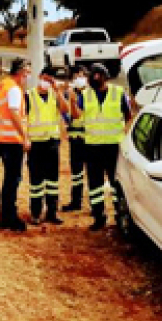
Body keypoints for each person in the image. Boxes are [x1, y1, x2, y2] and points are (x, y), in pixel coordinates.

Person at [71, 64, 134, 231]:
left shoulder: (118, 93)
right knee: (95, 184)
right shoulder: (85, 94)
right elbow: (77, 115)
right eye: (92, 76)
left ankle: (120, 216)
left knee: (116, 183)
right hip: (92, 146)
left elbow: (128, 115)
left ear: (105, 77)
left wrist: (119, 130)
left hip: (113, 146)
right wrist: (71, 98)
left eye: (97, 75)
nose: (94, 78)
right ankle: (99, 216)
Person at [25, 66, 72, 224]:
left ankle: (52, 212)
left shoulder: (55, 95)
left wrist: (57, 91)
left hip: (52, 142)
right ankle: (36, 213)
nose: (47, 82)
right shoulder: (29, 96)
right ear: (39, 77)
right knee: (36, 180)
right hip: (36, 143)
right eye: (45, 78)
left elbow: (66, 109)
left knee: (53, 180)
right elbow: (23, 119)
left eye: (50, 79)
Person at [0, 58, 31, 231]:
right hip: (11, 140)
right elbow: (14, 113)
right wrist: (25, 136)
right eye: (27, 72)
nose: (28, 75)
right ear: (21, 72)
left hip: (1, 138)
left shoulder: (3, 85)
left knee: (10, 178)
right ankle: (9, 217)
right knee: (12, 179)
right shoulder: (13, 89)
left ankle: (7, 215)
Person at [61, 65, 89, 212]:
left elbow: (80, 114)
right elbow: (68, 116)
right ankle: (76, 201)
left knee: (92, 172)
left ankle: (95, 205)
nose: (79, 78)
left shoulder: (90, 94)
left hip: (90, 138)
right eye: (76, 76)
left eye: (82, 75)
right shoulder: (67, 95)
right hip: (75, 139)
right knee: (76, 172)